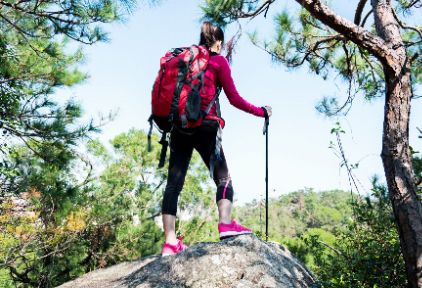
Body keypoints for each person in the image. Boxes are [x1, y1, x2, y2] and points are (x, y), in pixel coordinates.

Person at [161, 21, 272, 256]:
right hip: (207, 127)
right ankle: (225, 224)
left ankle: (170, 242)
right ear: (218, 42)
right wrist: (261, 111)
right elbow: (234, 99)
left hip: (179, 127)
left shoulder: (185, 59)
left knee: (173, 185)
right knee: (224, 179)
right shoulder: (218, 61)